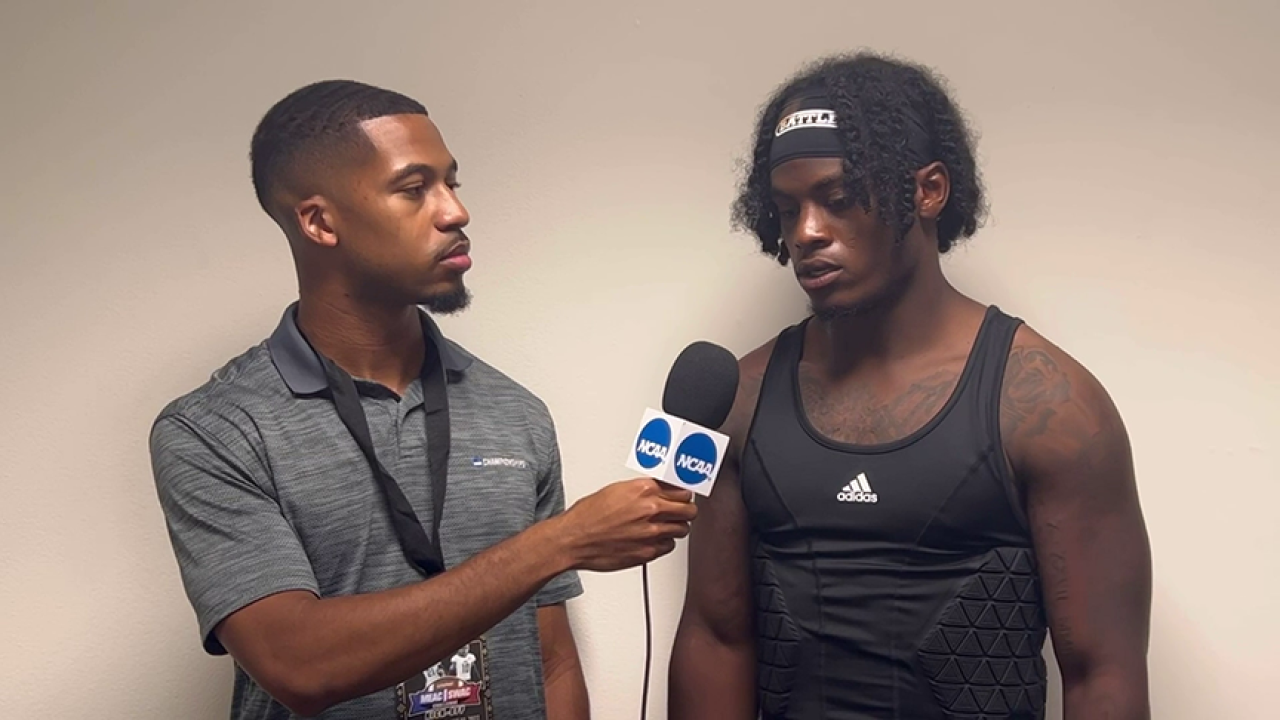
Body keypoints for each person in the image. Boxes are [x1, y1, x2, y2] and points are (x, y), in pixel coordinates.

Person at [149, 79, 697, 720]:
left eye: (451, 183)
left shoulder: (514, 412)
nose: (455, 212)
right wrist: (560, 541)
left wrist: (557, 545)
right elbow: (298, 665)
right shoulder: (215, 429)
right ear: (319, 222)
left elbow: (551, 662)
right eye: (414, 189)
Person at [669, 53, 1152, 719]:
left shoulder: (1048, 405)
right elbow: (715, 637)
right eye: (786, 209)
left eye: (838, 200)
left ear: (929, 191)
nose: (807, 232)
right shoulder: (739, 400)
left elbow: (1103, 674)